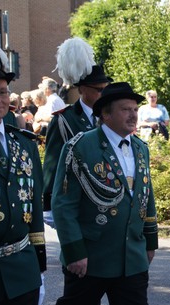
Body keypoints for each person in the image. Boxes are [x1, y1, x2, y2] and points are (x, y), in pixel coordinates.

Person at [52, 82, 158, 305]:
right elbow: (64, 204)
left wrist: (150, 242)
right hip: (91, 259)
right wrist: (74, 252)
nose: (133, 115)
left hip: (132, 260)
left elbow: (145, 196)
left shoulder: (141, 148)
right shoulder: (80, 147)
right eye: (125, 109)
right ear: (106, 114)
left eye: (135, 109)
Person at [0, 41, 46, 305]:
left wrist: (39, 257)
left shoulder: (24, 143)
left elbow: (34, 203)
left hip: (22, 266)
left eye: (2, 93)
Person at [42, 37, 112, 227]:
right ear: (82, 89)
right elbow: (52, 164)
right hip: (76, 202)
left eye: (106, 89)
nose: (103, 94)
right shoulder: (64, 120)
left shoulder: (111, 117)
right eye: (98, 90)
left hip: (108, 200)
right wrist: (48, 205)